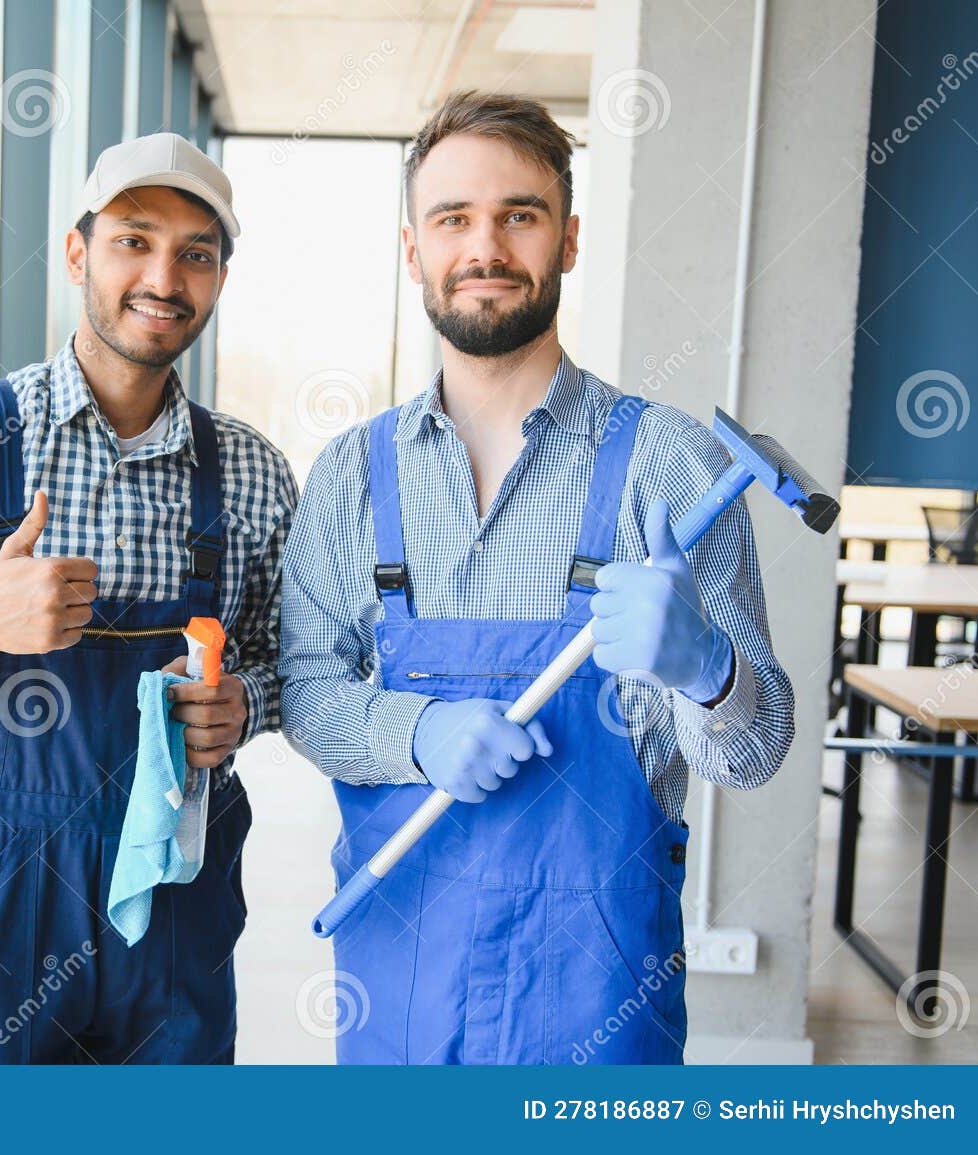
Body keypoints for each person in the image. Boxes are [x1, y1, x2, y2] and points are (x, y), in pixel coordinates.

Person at [278, 90, 793, 1065]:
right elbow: (304, 698)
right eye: (452, 219)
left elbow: (755, 752)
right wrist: (416, 730)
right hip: (397, 983)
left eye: (519, 213)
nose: (485, 246)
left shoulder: (666, 468)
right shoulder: (351, 474)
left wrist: (705, 669)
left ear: (566, 240)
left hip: (598, 1001)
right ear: (412, 249)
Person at [0, 132, 298, 1064]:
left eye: (195, 253)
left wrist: (246, 704)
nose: (164, 274)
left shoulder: (249, 472)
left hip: (174, 897)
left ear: (217, 280)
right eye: (134, 239)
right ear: (79, 253)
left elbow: (305, 669)